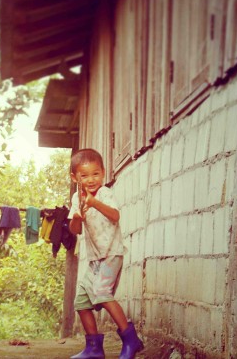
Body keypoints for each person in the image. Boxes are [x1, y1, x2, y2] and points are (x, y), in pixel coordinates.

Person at [67, 149, 143, 359]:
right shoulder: (77, 198)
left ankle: (130, 340)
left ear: (103, 172)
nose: (91, 180)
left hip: (111, 254)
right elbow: (75, 230)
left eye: (96, 174)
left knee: (102, 293)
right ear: (75, 178)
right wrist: (77, 217)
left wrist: (94, 203)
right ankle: (94, 348)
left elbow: (115, 215)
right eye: (84, 176)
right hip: (94, 259)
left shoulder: (105, 194)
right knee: (81, 301)